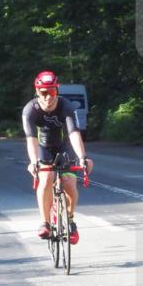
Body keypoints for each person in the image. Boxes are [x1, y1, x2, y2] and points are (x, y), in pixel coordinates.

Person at [22, 70, 92, 244]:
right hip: (43, 148)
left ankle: (70, 220)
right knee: (46, 177)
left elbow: (74, 134)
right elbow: (31, 139)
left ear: (57, 91)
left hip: (64, 147)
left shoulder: (66, 106)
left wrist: (82, 158)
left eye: (51, 92)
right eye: (43, 92)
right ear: (37, 92)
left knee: (69, 182)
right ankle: (44, 222)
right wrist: (34, 162)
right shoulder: (30, 109)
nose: (47, 97)